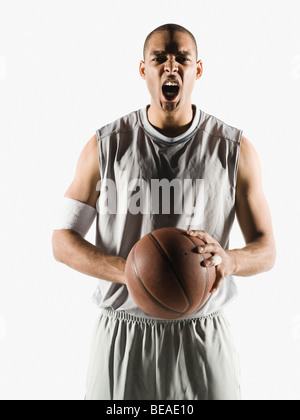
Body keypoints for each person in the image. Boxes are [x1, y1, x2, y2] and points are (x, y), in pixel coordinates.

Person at [52, 23, 276, 400]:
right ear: (144, 70)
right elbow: (61, 240)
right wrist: (128, 273)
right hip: (123, 330)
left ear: (197, 71)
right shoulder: (105, 146)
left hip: (201, 330)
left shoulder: (234, 149)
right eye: (159, 58)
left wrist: (230, 261)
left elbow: (267, 248)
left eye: (182, 58)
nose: (171, 66)